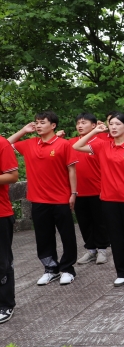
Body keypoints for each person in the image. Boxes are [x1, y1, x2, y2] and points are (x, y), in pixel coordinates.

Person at [72, 113, 124, 287]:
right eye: (111, 124)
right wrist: (95, 131)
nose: (113, 127)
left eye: (118, 124)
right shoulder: (102, 145)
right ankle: (121, 272)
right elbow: (77, 145)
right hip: (108, 198)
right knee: (115, 237)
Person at [8, 112, 79, 286]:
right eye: (37, 123)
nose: (38, 125)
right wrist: (24, 131)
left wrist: (73, 193)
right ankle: (50, 269)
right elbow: (5, 145)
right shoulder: (30, 143)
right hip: (38, 199)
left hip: (60, 198)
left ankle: (68, 269)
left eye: (42, 123)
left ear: (53, 125)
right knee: (43, 236)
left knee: (67, 235)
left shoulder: (63, 145)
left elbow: (72, 170)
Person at [71, 114, 109, 266]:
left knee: (100, 222)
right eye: (78, 123)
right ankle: (90, 249)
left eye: (84, 123)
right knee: (84, 222)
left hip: (97, 189)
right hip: (79, 190)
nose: (80, 125)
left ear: (93, 125)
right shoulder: (72, 143)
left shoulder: (100, 143)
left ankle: (102, 250)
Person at [0, 135, 19, 324]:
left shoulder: (2, 143)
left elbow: (12, 176)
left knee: (2, 261)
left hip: (1, 213)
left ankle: (5, 304)